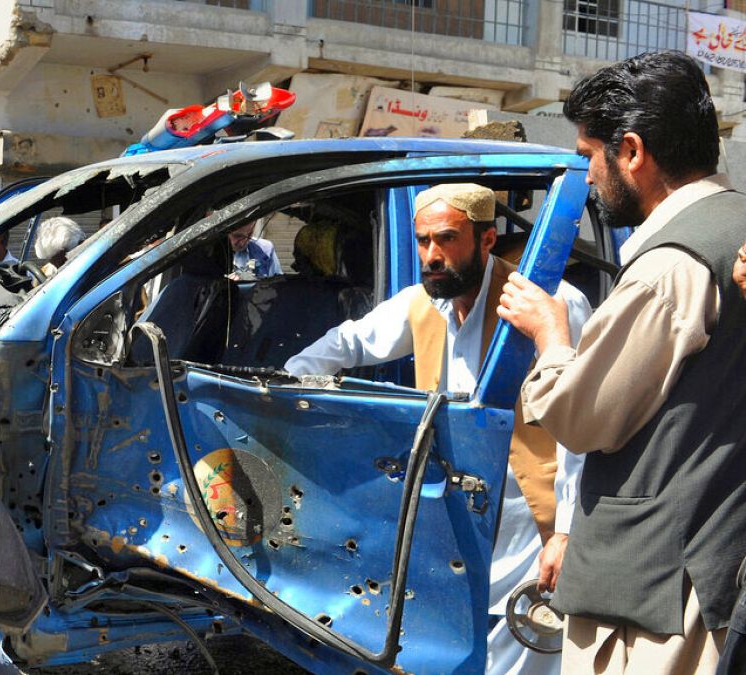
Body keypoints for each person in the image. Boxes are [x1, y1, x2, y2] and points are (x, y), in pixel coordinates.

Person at [497, 51, 745, 674]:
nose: (586, 176)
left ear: (630, 151)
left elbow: (583, 420)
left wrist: (550, 336)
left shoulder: (672, 264)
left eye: (588, 156)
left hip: (659, 596)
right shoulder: (732, 227)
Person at [285, 183, 590, 674]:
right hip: (455, 522)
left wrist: (569, 532)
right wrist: (287, 380)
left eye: (446, 239)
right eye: (424, 241)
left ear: (487, 240)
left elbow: (582, 427)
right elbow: (350, 341)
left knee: (527, 649)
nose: (431, 255)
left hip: (529, 524)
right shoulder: (423, 304)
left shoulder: (548, 303)